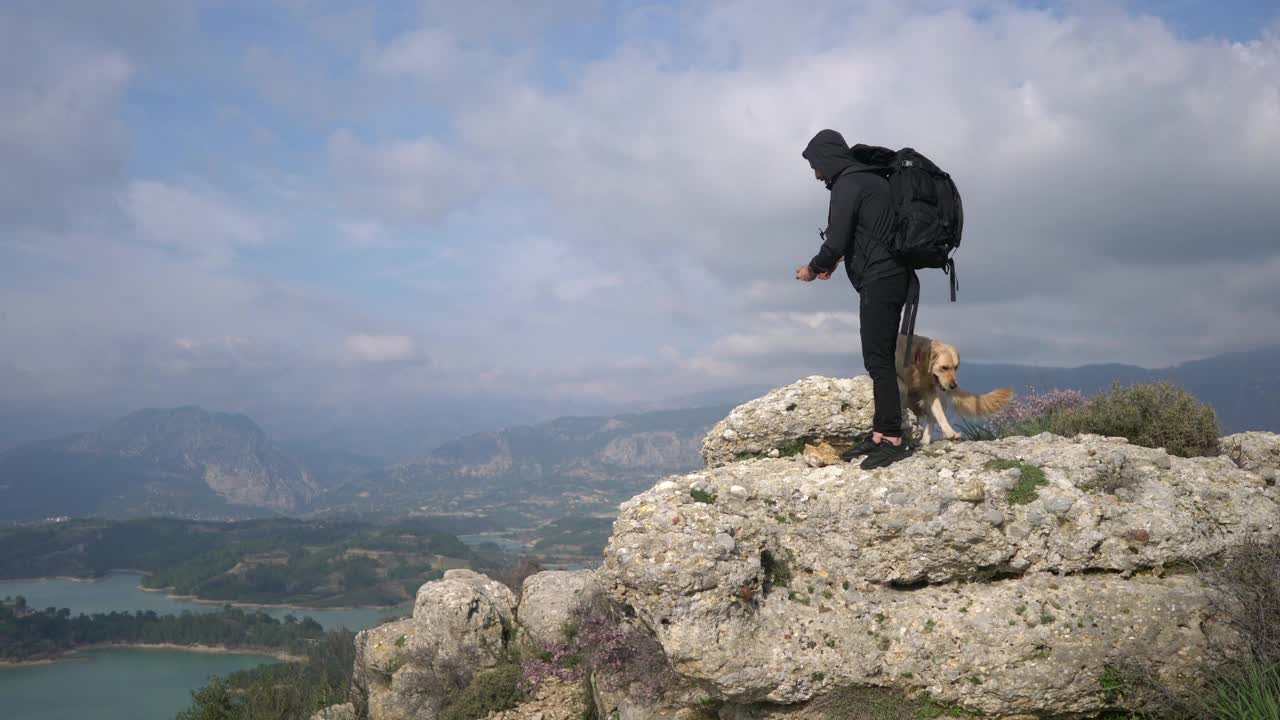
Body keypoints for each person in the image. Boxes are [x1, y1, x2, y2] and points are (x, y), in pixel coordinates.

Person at [795, 128, 913, 469]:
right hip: (891, 276)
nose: (817, 175)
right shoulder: (871, 180)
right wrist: (841, 259)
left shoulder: (848, 184)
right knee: (879, 357)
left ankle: (891, 438)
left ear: (827, 159)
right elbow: (869, 232)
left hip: (882, 279)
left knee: (878, 360)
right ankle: (879, 433)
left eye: (816, 166)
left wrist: (813, 269)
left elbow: (835, 240)